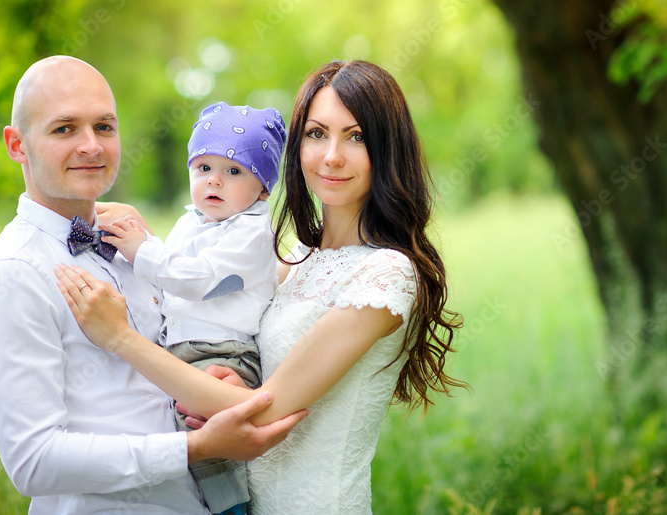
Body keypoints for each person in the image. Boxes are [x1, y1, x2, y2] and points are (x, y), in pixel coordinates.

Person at [56, 59, 465, 514]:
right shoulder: (297, 259)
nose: (332, 155)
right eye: (316, 133)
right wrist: (232, 378)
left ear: (388, 150)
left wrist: (119, 338)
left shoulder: (386, 275)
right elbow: (215, 291)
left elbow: (263, 412)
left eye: (356, 137)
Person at [0, 55, 305, 515]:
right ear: (17, 145)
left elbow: (202, 318)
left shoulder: (132, 247)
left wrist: (215, 381)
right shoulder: (12, 273)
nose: (91, 146)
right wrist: (197, 448)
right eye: (65, 129)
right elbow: (34, 462)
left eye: (104, 127)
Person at [101, 101, 287, 515]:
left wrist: (142, 250)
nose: (214, 180)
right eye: (204, 168)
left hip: (221, 353)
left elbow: (202, 279)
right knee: (173, 430)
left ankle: (230, 508)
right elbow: (169, 274)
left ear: (262, 188)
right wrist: (139, 241)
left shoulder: (253, 233)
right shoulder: (193, 221)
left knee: (210, 440)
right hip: (181, 348)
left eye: (234, 171)